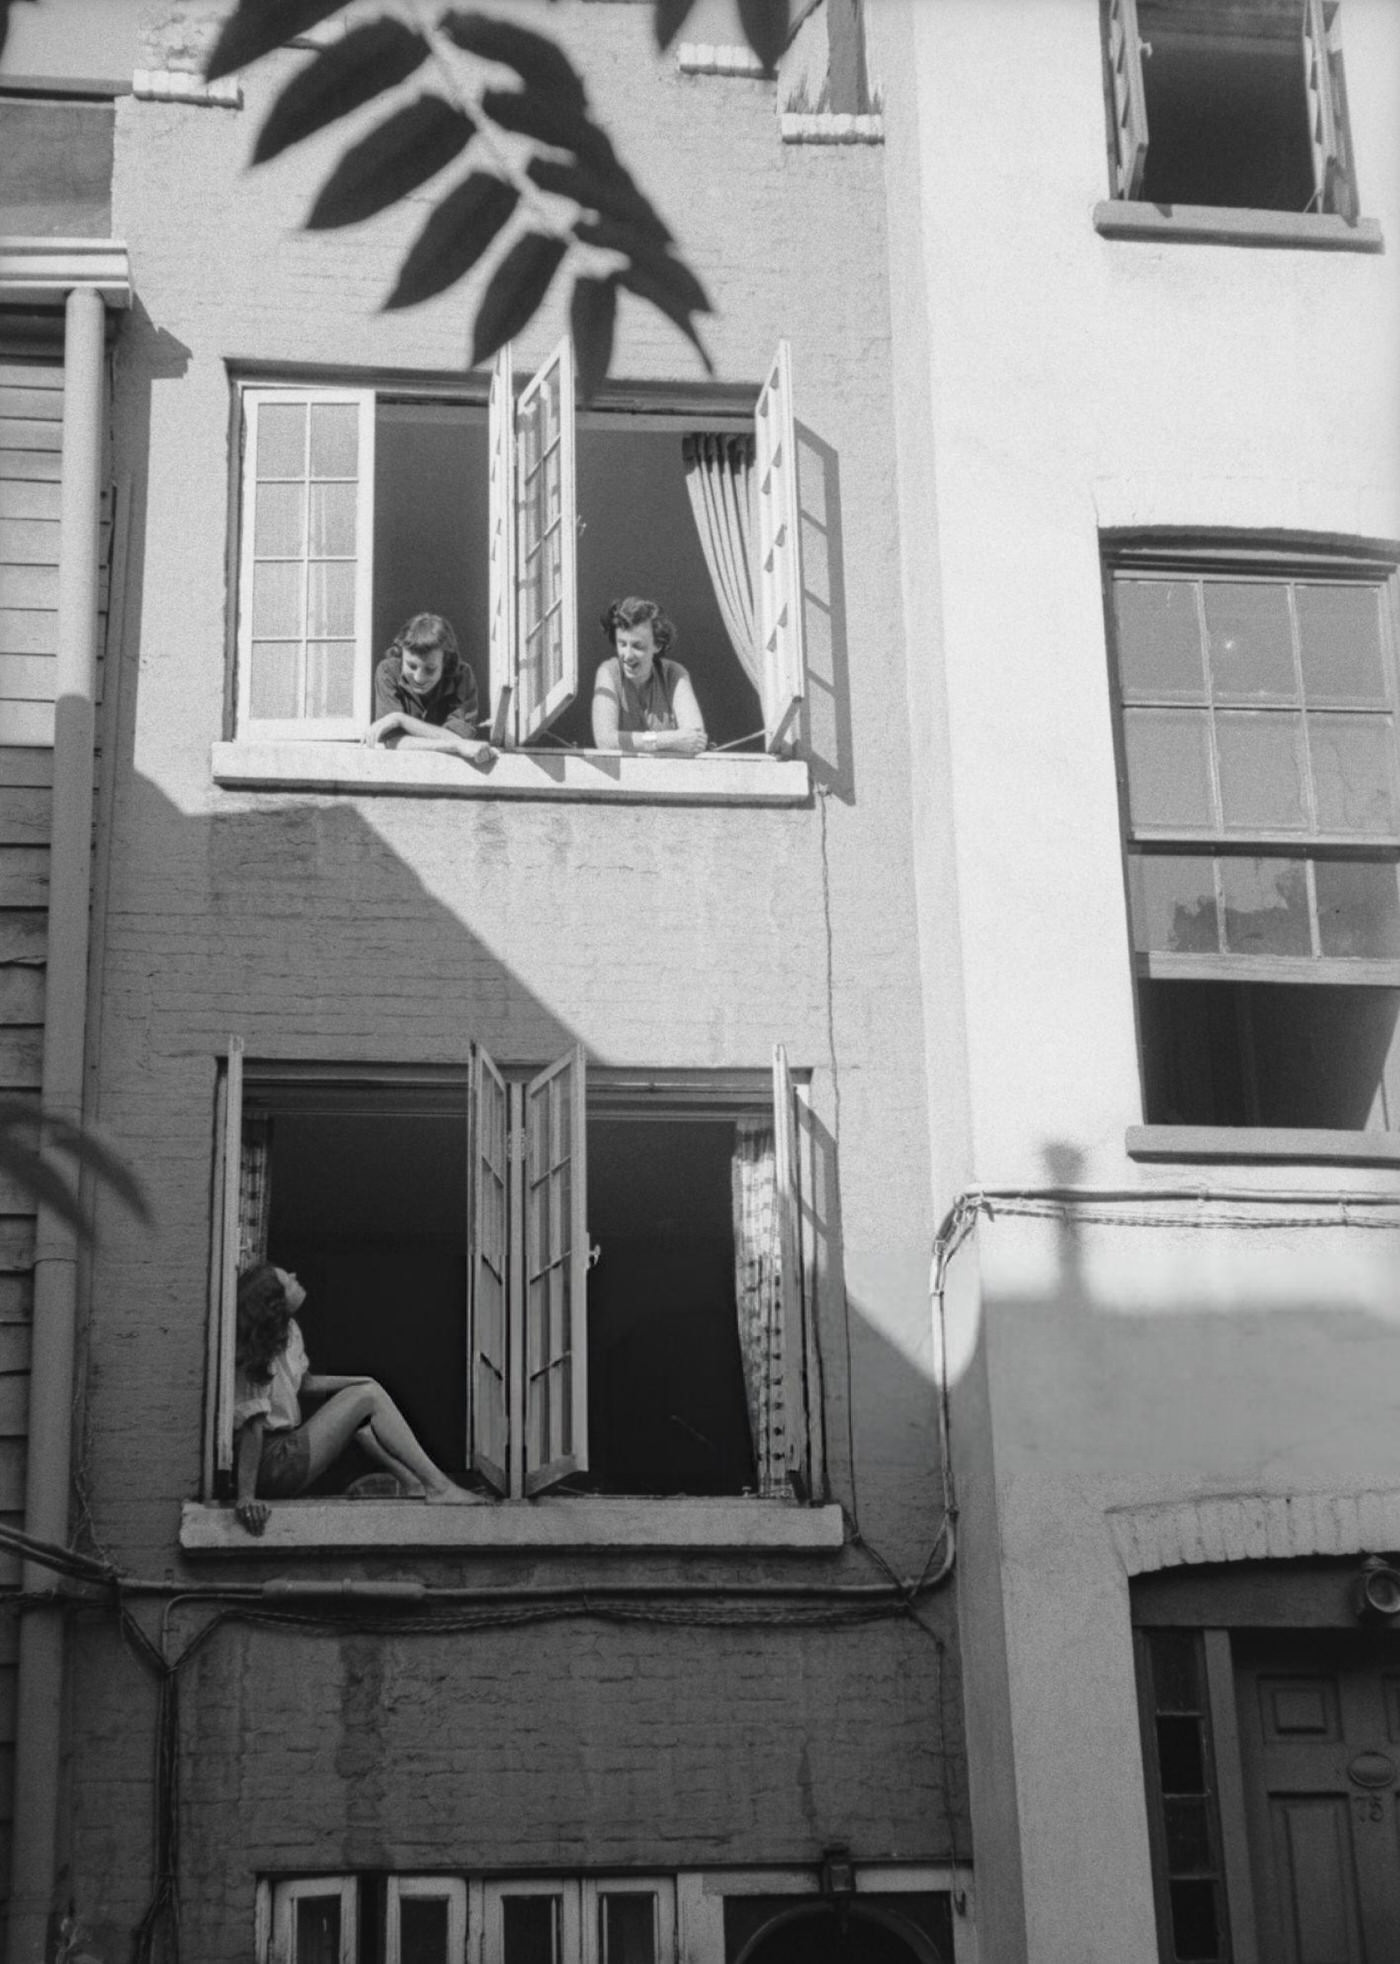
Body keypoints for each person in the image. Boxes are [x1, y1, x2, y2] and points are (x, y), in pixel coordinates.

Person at [232, 1262, 481, 1534]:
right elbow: (252, 1426)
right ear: (275, 1303)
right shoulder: (254, 1353)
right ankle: (439, 1487)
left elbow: (306, 1383)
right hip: (270, 1466)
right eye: (286, 1281)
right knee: (368, 1399)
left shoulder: (289, 1332)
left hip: (286, 1449)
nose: (295, 1277)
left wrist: (364, 1381)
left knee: (365, 1421)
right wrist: (247, 1496)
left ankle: (414, 1484)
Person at [364, 612, 494, 765]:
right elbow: (393, 742)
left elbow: (459, 737)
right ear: (400, 654)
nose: (419, 678)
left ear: (445, 662)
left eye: (430, 669)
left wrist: (400, 719)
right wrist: (454, 745)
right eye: (411, 666)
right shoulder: (388, 671)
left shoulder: (462, 676)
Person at [591, 597, 708, 756]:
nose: (628, 655)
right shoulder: (608, 672)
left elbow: (695, 739)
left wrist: (631, 742)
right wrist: (669, 740)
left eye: (637, 646)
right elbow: (605, 741)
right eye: (622, 644)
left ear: (658, 645)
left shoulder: (674, 673)